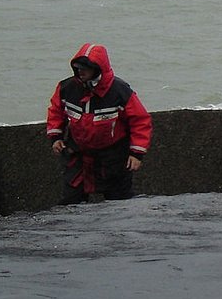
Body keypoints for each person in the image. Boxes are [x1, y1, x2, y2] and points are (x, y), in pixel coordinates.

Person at [46, 43, 152, 203]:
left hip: (113, 157)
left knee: (120, 205)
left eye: (85, 68)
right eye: (77, 67)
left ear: (97, 68)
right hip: (78, 156)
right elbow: (56, 111)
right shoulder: (66, 88)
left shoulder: (119, 91)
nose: (80, 71)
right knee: (71, 203)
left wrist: (136, 154)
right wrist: (56, 136)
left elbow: (140, 121)